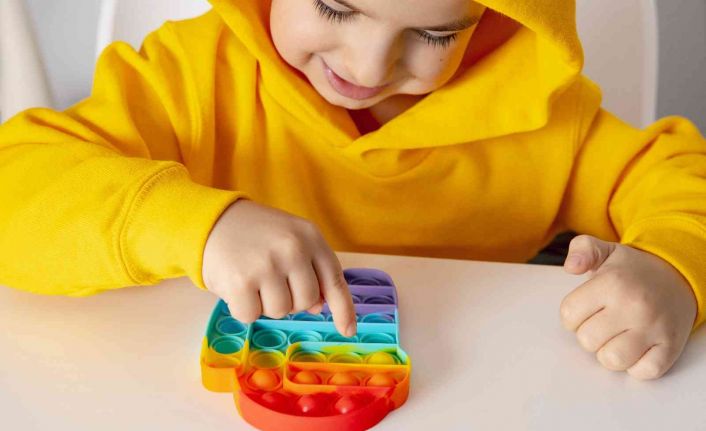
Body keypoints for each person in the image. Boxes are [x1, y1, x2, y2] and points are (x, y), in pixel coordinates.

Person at [0, 0, 704, 380]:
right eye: (335, 8)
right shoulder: (193, 77)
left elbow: (675, 174)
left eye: (435, 33)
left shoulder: (540, 113)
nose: (368, 67)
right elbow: (16, 185)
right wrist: (195, 225)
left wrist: (674, 265)